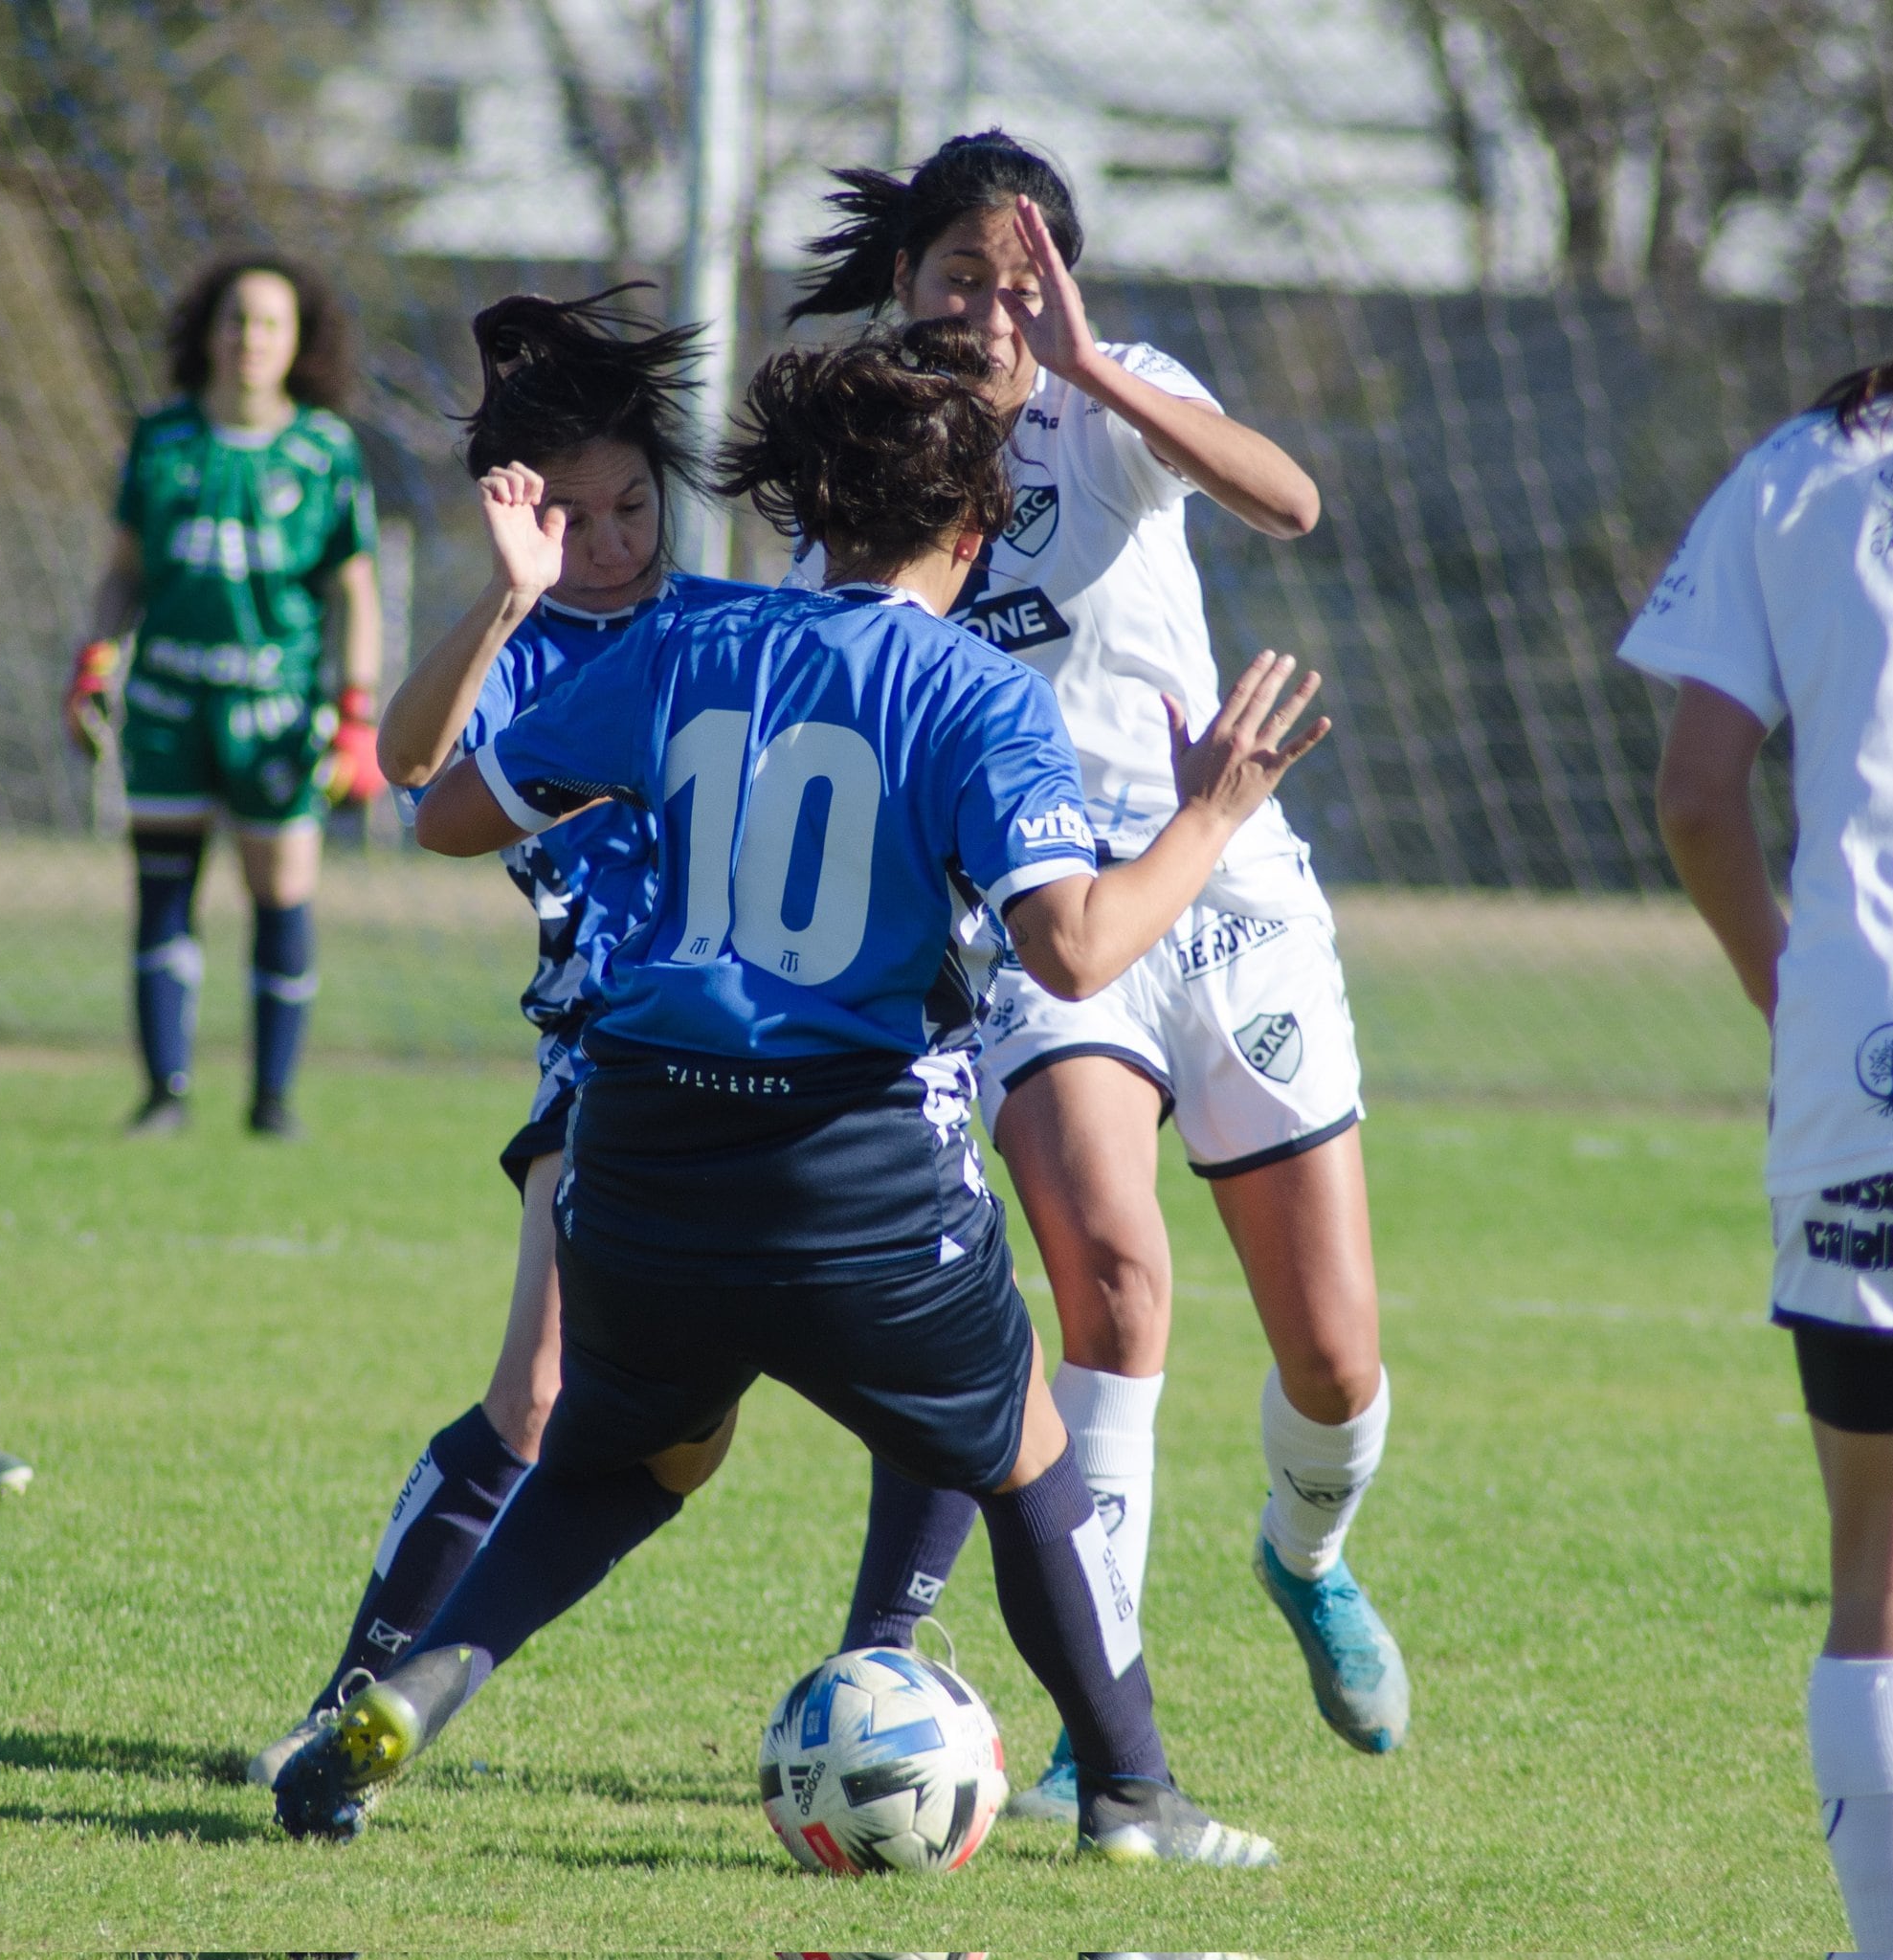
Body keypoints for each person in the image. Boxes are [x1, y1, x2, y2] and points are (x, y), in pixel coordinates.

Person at [269, 318, 1325, 1865]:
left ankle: (405, 1698)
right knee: (1024, 1448)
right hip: (852, 1178)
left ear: (804, 515)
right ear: (970, 533)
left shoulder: (677, 646)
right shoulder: (975, 691)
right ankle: (1132, 1794)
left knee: (627, 1458)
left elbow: (442, 816)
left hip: (633, 1154)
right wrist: (1211, 811)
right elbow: (1079, 948)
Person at [786, 130, 1406, 1810]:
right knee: (1115, 1278)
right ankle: (1094, 1741)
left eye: (1021, 275)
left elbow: (1289, 501)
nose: (991, 307)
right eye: (959, 276)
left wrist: (1095, 376)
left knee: (1333, 1358)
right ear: (905, 285)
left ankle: (1305, 1551)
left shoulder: (1112, 385)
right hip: (1048, 926)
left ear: (1063, 279)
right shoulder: (870, 454)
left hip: (1226, 873)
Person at [246, 289, 735, 1787]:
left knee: (889, 1407)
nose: (611, 539)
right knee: (533, 1396)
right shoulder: (518, 648)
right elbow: (405, 766)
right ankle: (349, 1705)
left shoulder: (725, 627)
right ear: (520, 516)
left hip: (781, 1058)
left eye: (633, 506)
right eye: (572, 517)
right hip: (603, 1052)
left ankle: (1005, 1725)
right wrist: (512, 597)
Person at [1620, 145, 1893, 1953]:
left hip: (1869, 1039)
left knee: (1884, 1547)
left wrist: (1791, 987)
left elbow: (1694, 796)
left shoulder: (1802, 473)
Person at [63, 255, 383, 1139]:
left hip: (273, 713)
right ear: (208, 330)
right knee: (162, 891)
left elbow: (354, 590)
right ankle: (164, 1096)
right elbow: (121, 574)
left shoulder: (323, 449)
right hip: (168, 701)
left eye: (270, 324)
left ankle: (271, 1101)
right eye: (236, 319)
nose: (250, 338)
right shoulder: (162, 438)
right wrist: (95, 662)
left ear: (298, 342)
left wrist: (356, 716)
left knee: (281, 891)